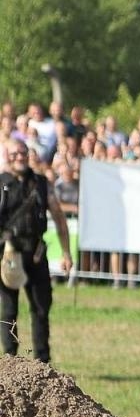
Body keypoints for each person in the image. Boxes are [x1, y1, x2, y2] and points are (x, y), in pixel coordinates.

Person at [0, 139, 71, 363]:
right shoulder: (1, 182)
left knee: (41, 309)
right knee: (8, 311)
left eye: (23, 153)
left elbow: (59, 217)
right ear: (7, 156)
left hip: (36, 254)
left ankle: (43, 362)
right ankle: (10, 363)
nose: (19, 157)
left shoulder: (40, 183)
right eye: (14, 154)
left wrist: (67, 253)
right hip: (8, 255)